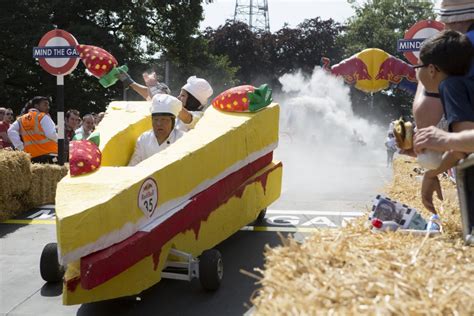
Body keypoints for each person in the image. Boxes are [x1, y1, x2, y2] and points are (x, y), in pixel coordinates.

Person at [414, 29, 474, 213]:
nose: (417, 75)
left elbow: (462, 149)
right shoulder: (467, 83)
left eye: (418, 68)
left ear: (431, 69)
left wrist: (431, 173)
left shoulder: (450, 87)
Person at [119, 71, 213, 132]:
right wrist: (130, 82)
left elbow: (186, 117)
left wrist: (160, 93)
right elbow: (152, 97)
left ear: (193, 100)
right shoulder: (175, 109)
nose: (178, 97)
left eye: (183, 95)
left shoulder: (199, 117)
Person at [128, 94, 184, 166]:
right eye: (155, 119)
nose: (159, 123)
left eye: (164, 119)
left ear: (172, 121)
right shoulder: (144, 139)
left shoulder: (182, 138)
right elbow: (133, 166)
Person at [8, 96, 58, 163]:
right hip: (49, 154)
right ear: (36, 106)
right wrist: (59, 140)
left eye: (48, 105)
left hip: (32, 156)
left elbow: (10, 131)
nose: (48, 107)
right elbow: (51, 134)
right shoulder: (43, 117)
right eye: (45, 104)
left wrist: (20, 147)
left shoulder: (21, 119)